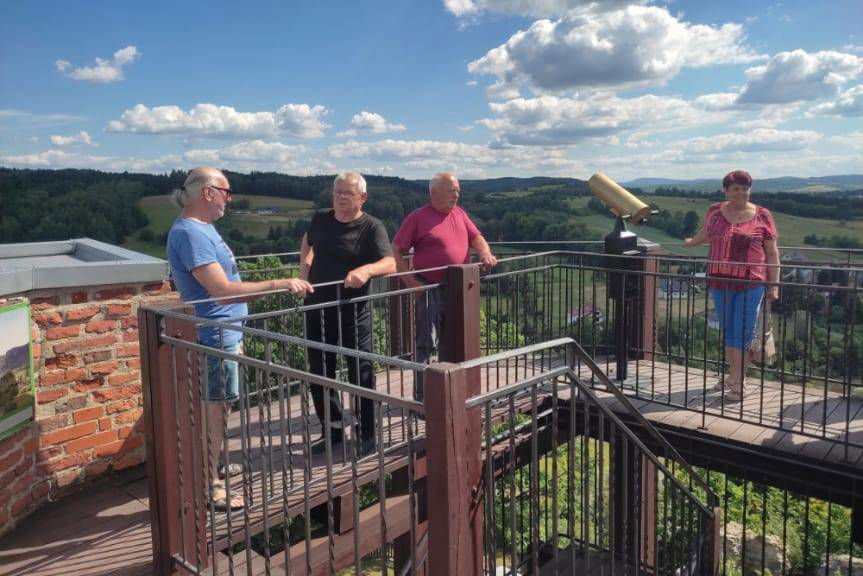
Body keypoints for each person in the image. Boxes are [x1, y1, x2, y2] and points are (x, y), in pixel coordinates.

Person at [167, 166, 313, 509]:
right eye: (226, 192)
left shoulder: (202, 229)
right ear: (208, 192)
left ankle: (213, 464)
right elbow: (222, 292)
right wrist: (279, 283)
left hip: (225, 333)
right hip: (214, 334)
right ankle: (210, 486)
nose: (228, 199)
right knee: (213, 410)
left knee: (222, 404)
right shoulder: (191, 234)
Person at [299, 172, 396, 455]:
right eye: (337, 192)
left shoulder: (371, 227)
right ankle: (333, 431)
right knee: (320, 371)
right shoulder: (320, 219)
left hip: (353, 310)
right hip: (317, 307)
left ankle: (367, 434)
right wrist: (304, 272)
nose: (340, 197)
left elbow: (390, 263)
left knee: (360, 372)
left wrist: (365, 270)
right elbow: (308, 243)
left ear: (362, 197)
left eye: (347, 193)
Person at [392, 172, 497, 401]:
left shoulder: (459, 214)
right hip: (429, 288)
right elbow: (397, 250)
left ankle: (455, 394)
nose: (456, 194)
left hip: (459, 289)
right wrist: (412, 284)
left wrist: (485, 252)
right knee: (426, 344)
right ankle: (424, 399)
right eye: (451, 190)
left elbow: (477, 237)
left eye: (458, 190)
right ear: (434, 192)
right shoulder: (418, 218)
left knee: (458, 340)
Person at [683, 170, 780, 402]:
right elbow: (707, 233)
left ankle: (738, 381)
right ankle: (733, 377)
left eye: (745, 188)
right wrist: (690, 243)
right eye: (736, 188)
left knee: (743, 332)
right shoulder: (715, 211)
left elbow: (772, 253)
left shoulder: (762, 215)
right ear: (726, 190)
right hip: (720, 280)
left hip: (751, 282)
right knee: (730, 333)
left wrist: (774, 285)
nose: (741, 192)